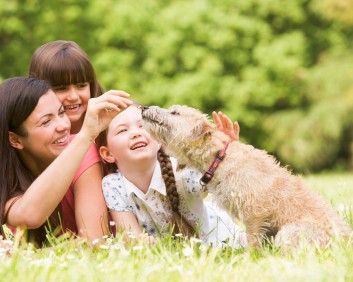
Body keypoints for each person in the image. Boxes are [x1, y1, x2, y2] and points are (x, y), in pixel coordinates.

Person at [0, 77, 132, 247]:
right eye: (46, 121)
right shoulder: (6, 181)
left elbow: (95, 243)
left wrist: (86, 136)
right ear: (15, 139)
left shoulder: (82, 148)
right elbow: (29, 215)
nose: (63, 125)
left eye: (61, 113)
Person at [99, 105, 247, 248]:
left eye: (142, 126)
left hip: (223, 241)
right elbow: (131, 239)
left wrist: (222, 157)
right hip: (177, 254)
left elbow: (231, 191)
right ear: (108, 154)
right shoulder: (113, 185)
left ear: (159, 140)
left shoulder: (184, 171)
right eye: (122, 130)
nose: (136, 133)